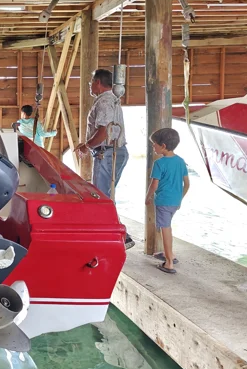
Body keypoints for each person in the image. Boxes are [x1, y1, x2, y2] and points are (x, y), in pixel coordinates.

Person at [74, 69, 134, 249]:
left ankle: (121, 236)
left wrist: (86, 145)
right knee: (106, 195)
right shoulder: (111, 99)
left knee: (101, 196)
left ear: (98, 82)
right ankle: (112, 234)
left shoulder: (105, 102)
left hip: (107, 152)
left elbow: (103, 132)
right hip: (114, 151)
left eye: (91, 82)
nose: (90, 86)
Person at [144, 127, 190, 274]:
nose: (153, 146)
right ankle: (169, 254)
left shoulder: (159, 163)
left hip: (163, 201)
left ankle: (169, 262)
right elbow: (187, 183)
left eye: (154, 144)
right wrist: (180, 198)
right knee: (167, 226)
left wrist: (147, 196)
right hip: (175, 202)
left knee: (165, 230)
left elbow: (154, 184)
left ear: (163, 146)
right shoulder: (181, 161)